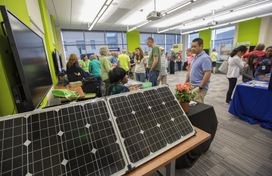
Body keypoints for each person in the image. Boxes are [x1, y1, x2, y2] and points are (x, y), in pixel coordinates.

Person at [185, 38, 212, 104]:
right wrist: (186, 83)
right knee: (191, 106)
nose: (192, 49)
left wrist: (201, 87)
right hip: (191, 86)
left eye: (194, 46)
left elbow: (207, 74)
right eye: (192, 47)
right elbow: (189, 71)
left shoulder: (205, 58)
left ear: (201, 46)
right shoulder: (194, 57)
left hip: (198, 88)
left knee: (197, 108)